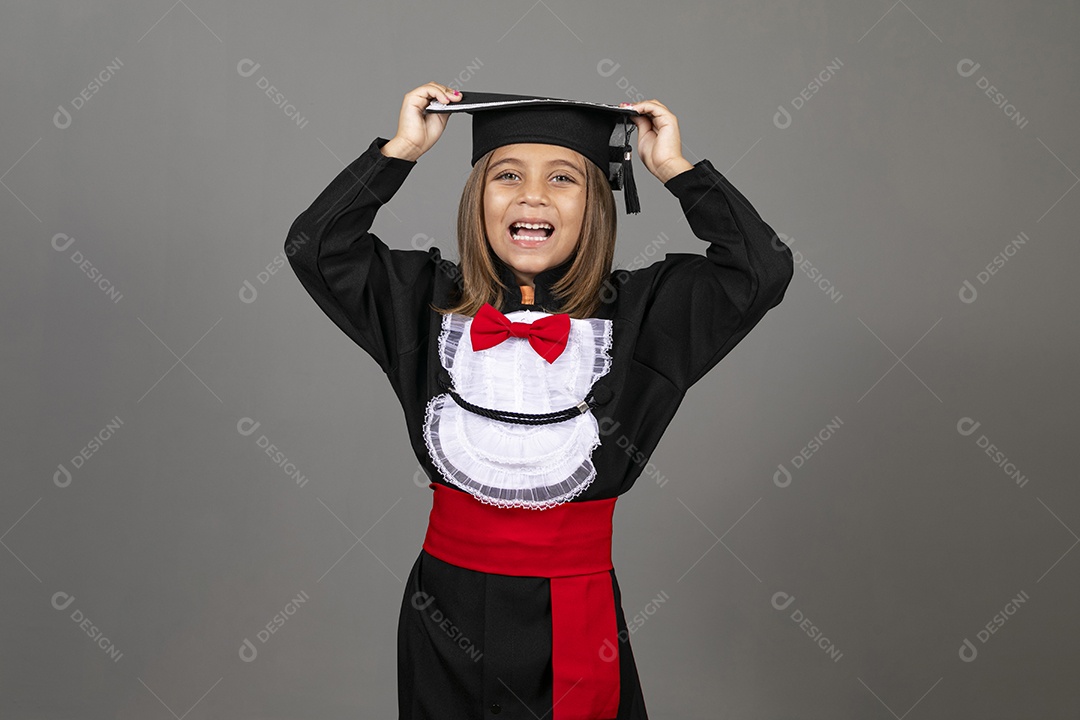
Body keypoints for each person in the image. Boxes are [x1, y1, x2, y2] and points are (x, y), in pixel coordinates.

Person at [285, 81, 794, 720]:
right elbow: (317, 247)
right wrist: (401, 151)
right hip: (442, 618)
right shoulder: (422, 301)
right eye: (506, 175)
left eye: (563, 179)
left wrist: (675, 169)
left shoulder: (642, 316)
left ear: (596, 206)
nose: (532, 195)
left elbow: (760, 271)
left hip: (574, 618)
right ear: (477, 200)